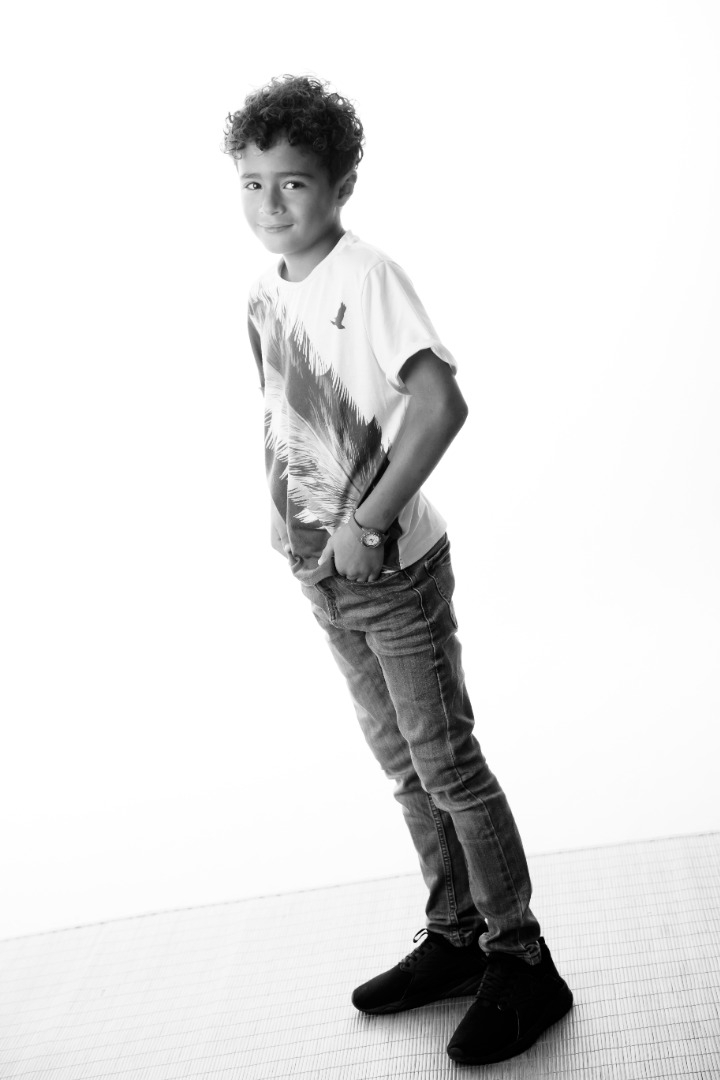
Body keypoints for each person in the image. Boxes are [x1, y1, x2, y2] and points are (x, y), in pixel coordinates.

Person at [222, 74, 573, 1066]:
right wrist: (291, 525)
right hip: (321, 573)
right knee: (405, 772)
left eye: (293, 183)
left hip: (392, 573)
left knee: (448, 766)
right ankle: (457, 936)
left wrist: (368, 522)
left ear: (340, 184)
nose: (270, 204)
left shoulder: (368, 277)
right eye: (251, 184)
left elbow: (440, 402)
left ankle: (523, 959)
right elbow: (286, 413)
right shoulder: (263, 291)